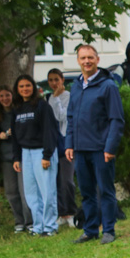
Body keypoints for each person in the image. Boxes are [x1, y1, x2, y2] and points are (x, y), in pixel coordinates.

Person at [66, 45, 125, 245]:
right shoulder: (75, 86)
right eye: (83, 58)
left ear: (97, 60)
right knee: (87, 192)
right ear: (78, 61)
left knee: (106, 191)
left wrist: (110, 147)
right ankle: (90, 230)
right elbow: (71, 118)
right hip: (80, 149)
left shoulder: (107, 86)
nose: (87, 61)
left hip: (101, 149)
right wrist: (69, 144)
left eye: (90, 57)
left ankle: (108, 229)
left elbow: (116, 120)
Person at [11, 74, 59, 237]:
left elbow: (49, 131)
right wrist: (16, 157)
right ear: (17, 90)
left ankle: (50, 226)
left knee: (47, 191)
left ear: (33, 87)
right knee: (31, 193)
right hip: (26, 153)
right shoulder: (16, 109)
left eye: (28, 85)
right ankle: (38, 226)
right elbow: (16, 137)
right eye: (21, 86)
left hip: (42, 152)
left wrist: (47, 155)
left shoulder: (42, 106)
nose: (25, 89)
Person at [0, 85, 32, 233]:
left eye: (7, 95)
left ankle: (29, 222)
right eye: (1, 96)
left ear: (12, 96)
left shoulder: (20, 110)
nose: (5, 99)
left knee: (24, 191)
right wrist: (0, 135)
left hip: (21, 156)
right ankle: (19, 222)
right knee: (11, 192)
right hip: (5, 157)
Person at [46, 69, 77, 226]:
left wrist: (56, 98)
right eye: (51, 80)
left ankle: (71, 212)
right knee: (56, 181)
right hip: (53, 143)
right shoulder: (48, 97)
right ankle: (62, 213)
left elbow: (61, 116)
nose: (54, 83)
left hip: (66, 142)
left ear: (62, 80)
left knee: (67, 180)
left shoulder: (69, 96)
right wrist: (53, 97)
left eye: (56, 79)